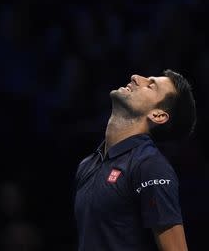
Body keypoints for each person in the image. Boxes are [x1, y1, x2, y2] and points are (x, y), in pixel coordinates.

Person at [74, 69, 196, 251]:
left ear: (158, 115)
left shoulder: (150, 165)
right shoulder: (88, 164)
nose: (136, 78)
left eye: (151, 85)